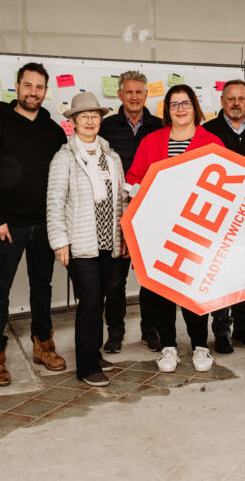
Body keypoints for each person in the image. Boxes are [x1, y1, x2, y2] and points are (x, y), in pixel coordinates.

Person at [0, 62, 68, 387]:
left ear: (45, 91)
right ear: (17, 87)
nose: (33, 92)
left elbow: (63, 180)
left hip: (45, 225)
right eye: (28, 86)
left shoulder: (54, 130)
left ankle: (43, 345)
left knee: (42, 288)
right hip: (8, 226)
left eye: (39, 87)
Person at [126, 84, 224, 373]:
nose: (181, 109)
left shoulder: (213, 143)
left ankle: (200, 347)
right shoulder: (152, 141)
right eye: (174, 105)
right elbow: (134, 177)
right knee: (161, 291)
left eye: (185, 103)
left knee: (195, 291)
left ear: (195, 107)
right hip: (158, 229)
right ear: (167, 111)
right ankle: (168, 347)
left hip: (198, 229)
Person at [47, 92, 127, 387]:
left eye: (95, 116)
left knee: (100, 300)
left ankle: (92, 354)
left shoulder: (112, 157)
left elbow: (121, 201)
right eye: (84, 117)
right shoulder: (64, 158)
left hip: (109, 242)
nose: (90, 121)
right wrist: (59, 242)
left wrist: (124, 239)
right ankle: (87, 367)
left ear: (100, 120)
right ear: (73, 122)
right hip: (80, 245)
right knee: (90, 302)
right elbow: (54, 203)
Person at [202, 79, 245, 353]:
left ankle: (243, 327)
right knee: (220, 274)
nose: (236, 103)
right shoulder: (209, 132)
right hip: (218, 217)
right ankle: (221, 331)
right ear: (221, 102)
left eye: (241, 98)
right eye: (230, 98)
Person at [98, 71, 164, 353]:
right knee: (115, 278)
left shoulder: (161, 126)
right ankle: (115, 331)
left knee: (150, 277)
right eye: (129, 92)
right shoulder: (106, 126)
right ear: (120, 95)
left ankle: (150, 329)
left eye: (139, 92)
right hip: (116, 211)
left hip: (153, 211)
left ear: (146, 95)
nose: (134, 97)